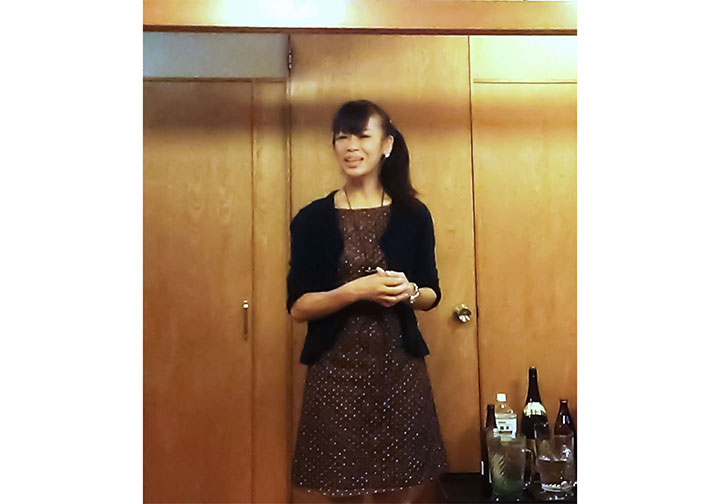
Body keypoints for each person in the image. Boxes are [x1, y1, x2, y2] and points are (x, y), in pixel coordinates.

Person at [287, 100, 449, 503]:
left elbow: (431, 293)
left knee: (404, 487)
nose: (351, 146)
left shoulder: (413, 215)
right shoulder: (312, 219)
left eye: (362, 136)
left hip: (400, 367)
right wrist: (355, 291)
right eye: (342, 137)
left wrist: (409, 292)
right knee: (342, 488)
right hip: (335, 372)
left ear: (386, 145)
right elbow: (298, 307)